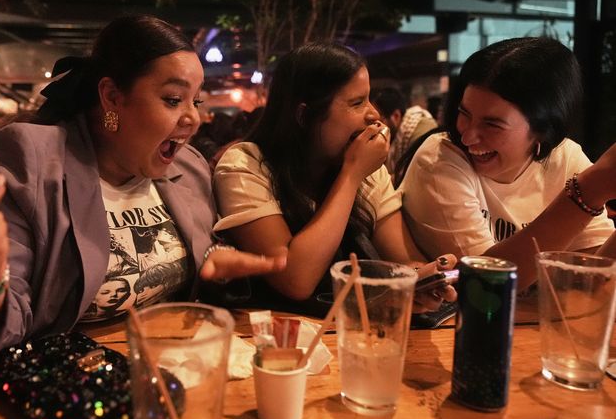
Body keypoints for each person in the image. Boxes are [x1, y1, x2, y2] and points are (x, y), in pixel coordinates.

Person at [0, 15, 286, 372]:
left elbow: (189, 266)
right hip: (71, 380)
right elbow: (8, 319)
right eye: (173, 99)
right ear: (112, 98)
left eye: (196, 101)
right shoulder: (34, 158)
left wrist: (210, 262)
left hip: (173, 367)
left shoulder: (188, 167)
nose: (194, 118)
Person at [212, 42, 457, 316]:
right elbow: (295, 280)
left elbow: (403, 259)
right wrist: (351, 176)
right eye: (357, 102)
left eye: (369, 98)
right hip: (273, 340)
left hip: (349, 331)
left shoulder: (366, 169)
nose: (374, 113)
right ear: (304, 115)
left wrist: (422, 280)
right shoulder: (245, 164)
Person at [400, 37, 616, 290]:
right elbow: (486, 285)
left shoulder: (565, 157)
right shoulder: (439, 160)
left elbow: (594, 280)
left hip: (535, 327)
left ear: (542, 130)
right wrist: (586, 192)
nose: (467, 136)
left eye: (491, 124)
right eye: (464, 114)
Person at [370, 87, 437, 178]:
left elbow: (415, 175)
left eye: (379, 120)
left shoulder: (420, 129)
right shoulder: (395, 135)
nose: (375, 127)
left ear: (396, 116)